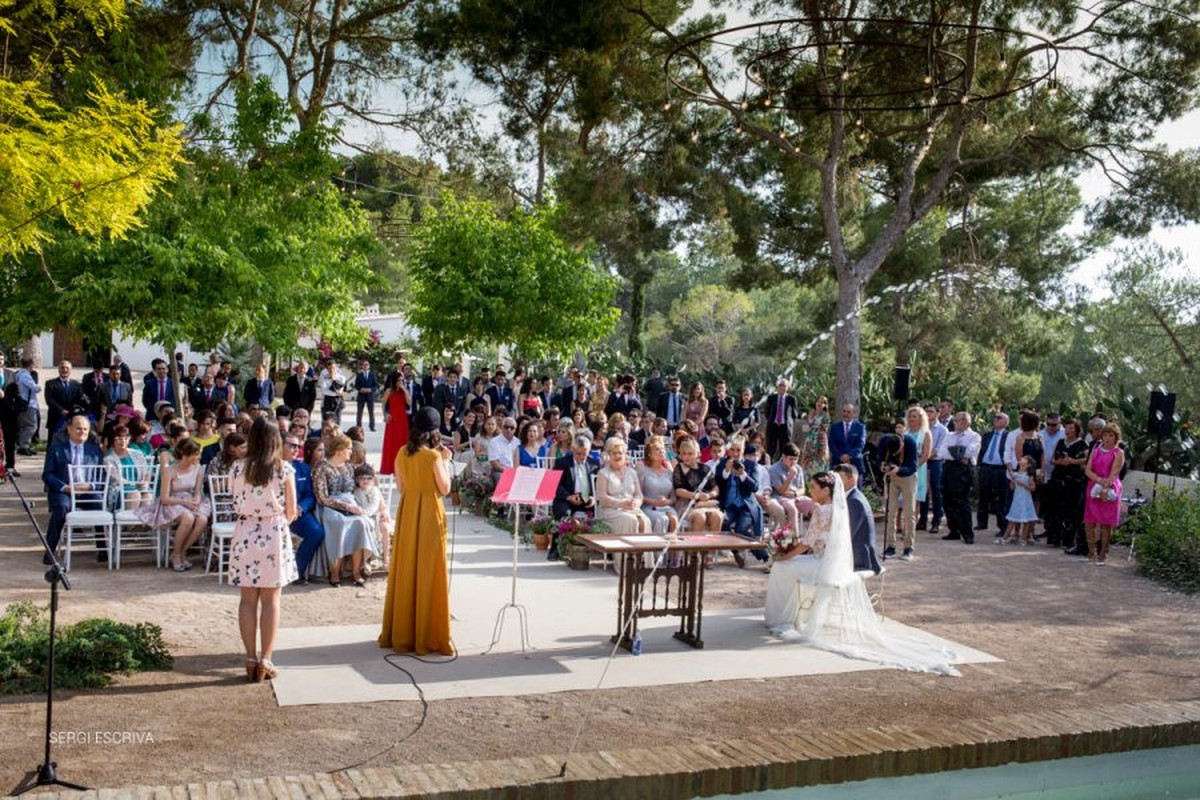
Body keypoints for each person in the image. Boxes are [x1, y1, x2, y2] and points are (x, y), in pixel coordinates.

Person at [764, 472, 958, 676]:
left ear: (826, 490)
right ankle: (790, 613)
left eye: (814, 487)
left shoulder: (821, 510)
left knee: (781, 568)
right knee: (789, 564)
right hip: (832, 563)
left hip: (821, 564)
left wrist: (784, 556)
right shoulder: (840, 507)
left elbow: (807, 544)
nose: (811, 491)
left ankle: (779, 618)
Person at [379, 406, 454, 656]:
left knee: (407, 568)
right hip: (430, 511)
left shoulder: (401, 452)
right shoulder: (434, 457)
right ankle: (428, 635)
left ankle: (402, 632)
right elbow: (444, 489)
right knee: (430, 570)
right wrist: (445, 461)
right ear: (434, 432)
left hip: (408, 511)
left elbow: (401, 486)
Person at [228, 417, 298, 683]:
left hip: (245, 530)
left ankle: (250, 657)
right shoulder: (284, 469)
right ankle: (266, 658)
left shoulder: (237, 468)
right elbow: (291, 511)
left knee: (247, 599)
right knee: (271, 600)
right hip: (272, 531)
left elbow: (235, 500)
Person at [137, 438, 211, 572]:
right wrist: (184, 503)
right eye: (196, 454)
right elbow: (165, 498)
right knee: (188, 517)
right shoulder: (170, 470)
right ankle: (176, 554)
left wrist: (196, 500)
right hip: (172, 502)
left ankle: (182, 551)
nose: (198, 457)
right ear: (185, 455)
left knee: (203, 519)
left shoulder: (199, 468)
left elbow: (198, 491)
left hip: (189, 499)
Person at [313, 433, 377, 587]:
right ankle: (335, 571)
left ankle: (356, 571)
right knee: (339, 524)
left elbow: (365, 483)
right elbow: (322, 497)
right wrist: (346, 507)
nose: (351, 452)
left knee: (361, 523)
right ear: (340, 450)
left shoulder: (349, 467)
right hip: (329, 507)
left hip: (351, 505)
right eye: (348, 448)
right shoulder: (321, 467)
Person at [42, 414, 105, 561]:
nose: (82, 432)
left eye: (85, 429)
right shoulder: (57, 449)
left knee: (99, 504)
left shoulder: (94, 450)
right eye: (78, 428)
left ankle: (102, 549)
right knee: (62, 508)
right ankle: (50, 551)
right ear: (69, 429)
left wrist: (91, 485)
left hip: (86, 490)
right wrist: (64, 487)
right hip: (65, 491)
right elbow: (47, 475)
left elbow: (102, 474)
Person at [717, 437, 768, 566]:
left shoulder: (751, 465)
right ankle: (736, 551)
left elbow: (755, 487)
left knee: (741, 530)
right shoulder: (723, 463)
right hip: (729, 506)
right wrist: (726, 471)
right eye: (732, 450)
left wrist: (742, 474)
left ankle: (765, 557)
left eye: (738, 450)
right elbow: (718, 482)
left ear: (743, 450)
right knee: (722, 524)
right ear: (728, 451)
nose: (735, 453)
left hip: (746, 505)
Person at [1083, 422, 1125, 565]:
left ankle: (1103, 553)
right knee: (1089, 522)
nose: (1107, 438)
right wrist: (1098, 480)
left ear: (1116, 437)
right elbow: (1088, 470)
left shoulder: (1118, 453)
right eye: (1105, 435)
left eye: (1111, 435)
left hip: (1110, 487)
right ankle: (1091, 551)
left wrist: (1105, 485)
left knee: (1105, 524)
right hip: (1094, 485)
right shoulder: (1096, 449)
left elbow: (1114, 473)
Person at [286, 434, 325, 584]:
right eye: (291, 445)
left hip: (298, 513)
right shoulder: (271, 467)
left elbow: (310, 495)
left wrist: (301, 507)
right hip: (275, 513)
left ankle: (296, 570)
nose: (296, 449)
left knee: (317, 532)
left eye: (297, 446)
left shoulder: (302, 468)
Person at [938, 411, 981, 544]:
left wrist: (957, 452)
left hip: (963, 471)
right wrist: (959, 453)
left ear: (966, 422)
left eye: (958, 421)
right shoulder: (949, 435)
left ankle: (967, 533)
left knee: (962, 501)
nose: (955, 423)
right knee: (948, 500)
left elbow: (970, 452)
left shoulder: (974, 436)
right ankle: (954, 530)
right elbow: (942, 452)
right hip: (949, 468)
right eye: (955, 421)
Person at [595, 437, 651, 535]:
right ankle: (627, 550)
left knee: (644, 521)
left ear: (625, 454)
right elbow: (602, 498)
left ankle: (641, 550)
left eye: (620, 453)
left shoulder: (632, 472)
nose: (617, 456)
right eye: (614, 453)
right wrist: (620, 503)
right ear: (609, 455)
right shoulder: (603, 473)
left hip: (630, 509)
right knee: (630, 520)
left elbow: (639, 495)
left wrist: (636, 503)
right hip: (610, 510)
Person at [1050, 419, 1090, 555]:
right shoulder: (1061, 442)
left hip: (1073, 480)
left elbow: (1087, 459)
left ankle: (1068, 540)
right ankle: (1055, 538)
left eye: (1071, 428)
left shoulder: (1082, 444)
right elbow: (1052, 459)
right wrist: (1060, 461)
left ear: (1077, 430)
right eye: (1066, 428)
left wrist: (1073, 461)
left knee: (1071, 510)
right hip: (1059, 478)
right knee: (1056, 508)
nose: (1068, 431)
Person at [833, 464, 882, 574]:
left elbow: (848, 533)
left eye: (840, 478)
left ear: (852, 479)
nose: (836, 482)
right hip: (853, 551)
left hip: (860, 557)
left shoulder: (855, 501)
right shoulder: (850, 497)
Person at [673, 437, 722, 533]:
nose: (686, 456)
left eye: (690, 453)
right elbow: (678, 490)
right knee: (700, 517)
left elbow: (715, 488)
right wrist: (696, 496)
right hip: (688, 503)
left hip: (706, 503)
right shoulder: (679, 468)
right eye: (683, 453)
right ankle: (695, 547)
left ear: (697, 454)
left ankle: (712, 547)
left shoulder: (705, 468)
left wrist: (709, 495)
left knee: (717, 517)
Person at [104, 425, 153, 510]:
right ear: (112, 440)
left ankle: (142, 523)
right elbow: (117, 479)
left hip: (140, 488)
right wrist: (134, 484)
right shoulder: (108, 460)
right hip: (121, 489)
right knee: (135, 494)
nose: (123, 441)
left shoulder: (137, 454)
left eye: (126, 438)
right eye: (119, 438)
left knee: (147, 495)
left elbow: (146, 472)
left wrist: (144, 482)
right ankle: (130, 523)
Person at [976, 412, 1011, 533]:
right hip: (986, 468)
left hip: (1000, 469)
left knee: (1000, 498)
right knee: (983, 495)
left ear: (1006, 422)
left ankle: (1002, 526)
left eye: (999, 418)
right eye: (995, 418)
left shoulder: (1008, 436)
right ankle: (982, 522)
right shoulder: (987, 435)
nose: (996, 419)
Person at [636, 436, 678, 534]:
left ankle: (671, 547)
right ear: (649, 454)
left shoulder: (668, 470)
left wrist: (668, 501)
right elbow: (638, 494)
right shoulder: (642, 469)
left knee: (673, 519)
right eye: (657, 449)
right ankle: (657, 547)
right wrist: (654, 502)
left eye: (663, 449)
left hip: (665, 506)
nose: (661, 451)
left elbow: (673, 497)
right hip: (648, 506)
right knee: (662, 519)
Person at [769, 442, 812, 537]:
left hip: (795, 496)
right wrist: (790, 477)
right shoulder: (774, 469)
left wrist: (796, 493)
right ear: (783, 457)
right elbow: (781, 491)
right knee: (792, 509)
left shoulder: (798, 468)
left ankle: (811, 538)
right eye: (791, 459)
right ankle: (794, 539)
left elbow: (803, 489)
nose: (793, 462)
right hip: (780, 498)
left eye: (796, 459)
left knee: (815, 506)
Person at [353, 464, 392, 565]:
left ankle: (386, 556)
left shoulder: (374, 490)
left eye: (368, 478)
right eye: (362, 478)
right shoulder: (356, 492)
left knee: (385, 528)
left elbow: (375, 506)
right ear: (357, 480)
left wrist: (364, 513)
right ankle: (367, 558)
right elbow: (356, 504)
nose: (365, 481)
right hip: (364, 517)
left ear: (373, 479)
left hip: (377, 515)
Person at [998, 455, 1039, 545]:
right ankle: (1005, 537)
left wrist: (1024, 485)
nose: (1021, 459)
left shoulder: (1029, 475)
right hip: (1017, 500)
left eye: (1024, 459)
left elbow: (1033, 488)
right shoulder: (1015, 474)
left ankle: (1023, 539)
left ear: (1028, 465)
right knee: (1012, 519)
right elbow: (1012, 488)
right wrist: (1012, 482)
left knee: (1026, 520)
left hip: (1025, 500)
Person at [378, 372, 410, 476]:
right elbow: (383, 404)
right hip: (392, 418)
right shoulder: (389, 391)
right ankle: (390, 466)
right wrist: (385, 414)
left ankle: (402, 467)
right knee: (391, 442)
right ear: (394, 381)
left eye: (402, 381)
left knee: (402, 442)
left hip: (402, 418)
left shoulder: (404, 391)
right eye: (399, 381)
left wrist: (404, 389)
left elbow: (409, 403)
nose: (400, 382)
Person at [45, 360, 84, 440]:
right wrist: (61, 410)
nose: (65, 370)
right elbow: (49, 400)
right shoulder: (50, 384)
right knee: (53, 442)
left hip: (71, 418)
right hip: (55, 418)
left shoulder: (77, 385)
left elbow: (80, 400)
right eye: (62, 368)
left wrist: (74, 411)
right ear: (59, 369)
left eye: (67, 368)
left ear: (71, 370)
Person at [828, 403, 867, 480]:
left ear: (853, 413)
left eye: (848, 412)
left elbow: (860, 445)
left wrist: (849, 455)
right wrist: (840, 456)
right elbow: (831, 444)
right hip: (837, 463)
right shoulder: (835, 427)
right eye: (844, 411)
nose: (845, 414)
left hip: (855, 464)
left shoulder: (860, 427)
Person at [763, 380, 797, 461]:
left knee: (785, 449)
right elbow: (767, 412)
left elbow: (794, 414)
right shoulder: (771, 398)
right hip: (773, 426)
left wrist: (789, 422)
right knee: (770, 448)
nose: (782, 387)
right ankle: (768, 466)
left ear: (787, 388)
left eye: (784, 385)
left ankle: (784, 466)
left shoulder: (791, 399)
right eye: (780, 385)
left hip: (785, 427)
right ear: (777, 387)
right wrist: (772, 420)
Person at [14, 357, 41, 454]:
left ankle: (24, 445)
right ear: (31, 365)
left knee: (24, 426)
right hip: (28, 404)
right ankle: (23, 446)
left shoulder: (19, 374)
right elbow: (35, 388)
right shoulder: (25, 375)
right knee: (31, 426)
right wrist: (39, 387)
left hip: (24, 403)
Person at [799, 395, 830, 472]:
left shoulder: (825, 416)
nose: (819, 403)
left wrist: (813, 426)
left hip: (819, 440)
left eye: (822, 402)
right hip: (809, 440)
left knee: (819, 462)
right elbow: (805, 428)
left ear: (825, 405)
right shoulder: (811, 414)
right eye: (818, 401)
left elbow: (825, 428)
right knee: (807, 461)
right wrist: (809, 422)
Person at [351, 359, 378, 432]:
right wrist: (360, 389)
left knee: (371, 412)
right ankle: (358, 426)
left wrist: (370, 390)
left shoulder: (372, 375)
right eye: (364, 365)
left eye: (367, 365)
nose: (365, 366)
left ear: (369, 366)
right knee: (359, 412)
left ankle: (372, 426)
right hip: (361, 396)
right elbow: (356, 385)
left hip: (370, 396)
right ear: (362, 366)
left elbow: (375, 386)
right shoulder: (359, 375)